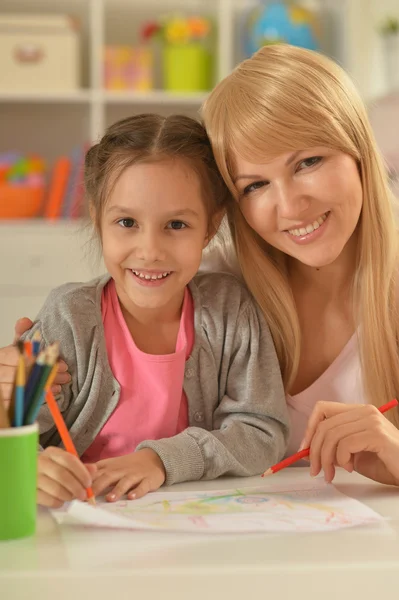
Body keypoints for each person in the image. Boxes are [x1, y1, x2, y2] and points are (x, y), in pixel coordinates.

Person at [1, 114, 288, 508]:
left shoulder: (230, 310)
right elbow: (13, 427)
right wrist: (30, 468)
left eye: (176, 224)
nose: (150, 250)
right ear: (98, 219)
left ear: (210, 226)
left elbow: (262, 432)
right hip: (81, 526)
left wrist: (161, 460)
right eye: (126, 222)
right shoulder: (68, 317)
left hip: (190, 527)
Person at [201, 44, 399, 486]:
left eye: (307, 162)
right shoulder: (213, 286)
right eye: (254, 186)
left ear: (359, 150)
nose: (290, 205)